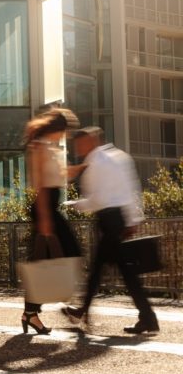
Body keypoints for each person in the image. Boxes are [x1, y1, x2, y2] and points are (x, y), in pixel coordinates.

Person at [61, 127, 158, 334]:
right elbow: (133, 189)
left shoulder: (96, 163)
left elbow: (98, 200)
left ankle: (84, 311)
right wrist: (133, 219)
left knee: (104, 270)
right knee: (117, 271)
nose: (77, 149)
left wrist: (75, 204)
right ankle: (146, 317)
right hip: (120, 219)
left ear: (90, 141)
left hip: (109, 220)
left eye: (78, 144)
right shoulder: (120, 156)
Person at [21, 109, 81, 334]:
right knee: (64, 254)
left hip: (51, 208)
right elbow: (39, 185)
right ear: (59, 129)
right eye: (67, 130)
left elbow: (61, 176)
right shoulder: (39, 147)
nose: (67, 135)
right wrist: (45, 220)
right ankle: (54, 307)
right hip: (44, 208)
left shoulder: (53, 148)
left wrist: (81, 168)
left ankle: (30, 313)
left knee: (42, 263)